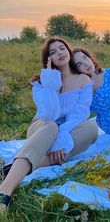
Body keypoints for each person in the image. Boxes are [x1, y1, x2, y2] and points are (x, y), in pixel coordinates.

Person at [0, 37, 98, 212]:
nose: (59, 53)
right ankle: (5, 190)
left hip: (68, 129)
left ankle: (18, 167)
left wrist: (61, 140)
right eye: (53, 52)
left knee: (91, 128)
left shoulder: (83, 80)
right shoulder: (42, 81)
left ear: (68, 51)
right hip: (43, 127)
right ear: (48, 59)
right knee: (52, 126)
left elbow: (79, 116)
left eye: (62, 48)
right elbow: (48, 114)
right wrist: (51, 83)